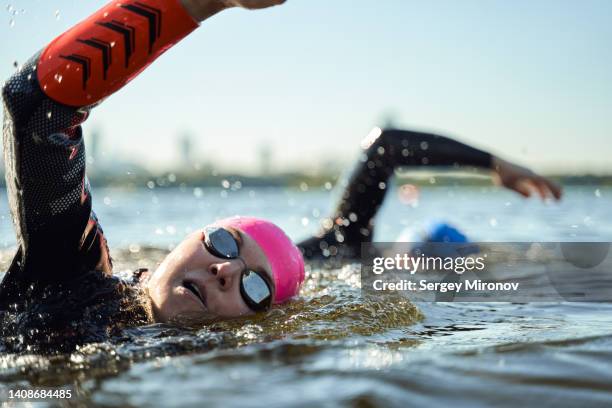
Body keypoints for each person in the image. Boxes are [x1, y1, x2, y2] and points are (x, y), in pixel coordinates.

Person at [0, 0, 561, 352]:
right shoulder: (70, 275)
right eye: (222, 242)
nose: (223, 269)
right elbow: (37, 106)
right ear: (188, 236)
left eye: (254, 286)